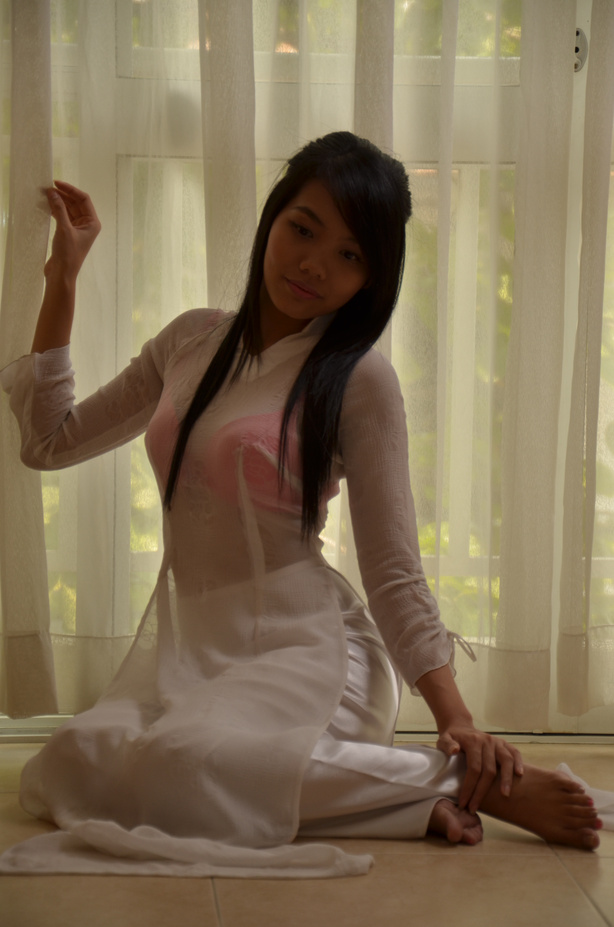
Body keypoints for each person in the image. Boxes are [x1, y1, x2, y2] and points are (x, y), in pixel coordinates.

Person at [0, 132, 602, 878]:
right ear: (273, 218)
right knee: (74, 762)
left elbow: (392, 571)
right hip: (193, 652)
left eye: (350, 254)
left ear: (371, 278)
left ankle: (466, 784)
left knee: (183, 761)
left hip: (310, 650)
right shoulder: (191, 341)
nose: (315, 264)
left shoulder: (360, 380)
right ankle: (412, 800)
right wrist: (62, 277)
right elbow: (49, 442)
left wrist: (458, 720)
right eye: (303, 229)